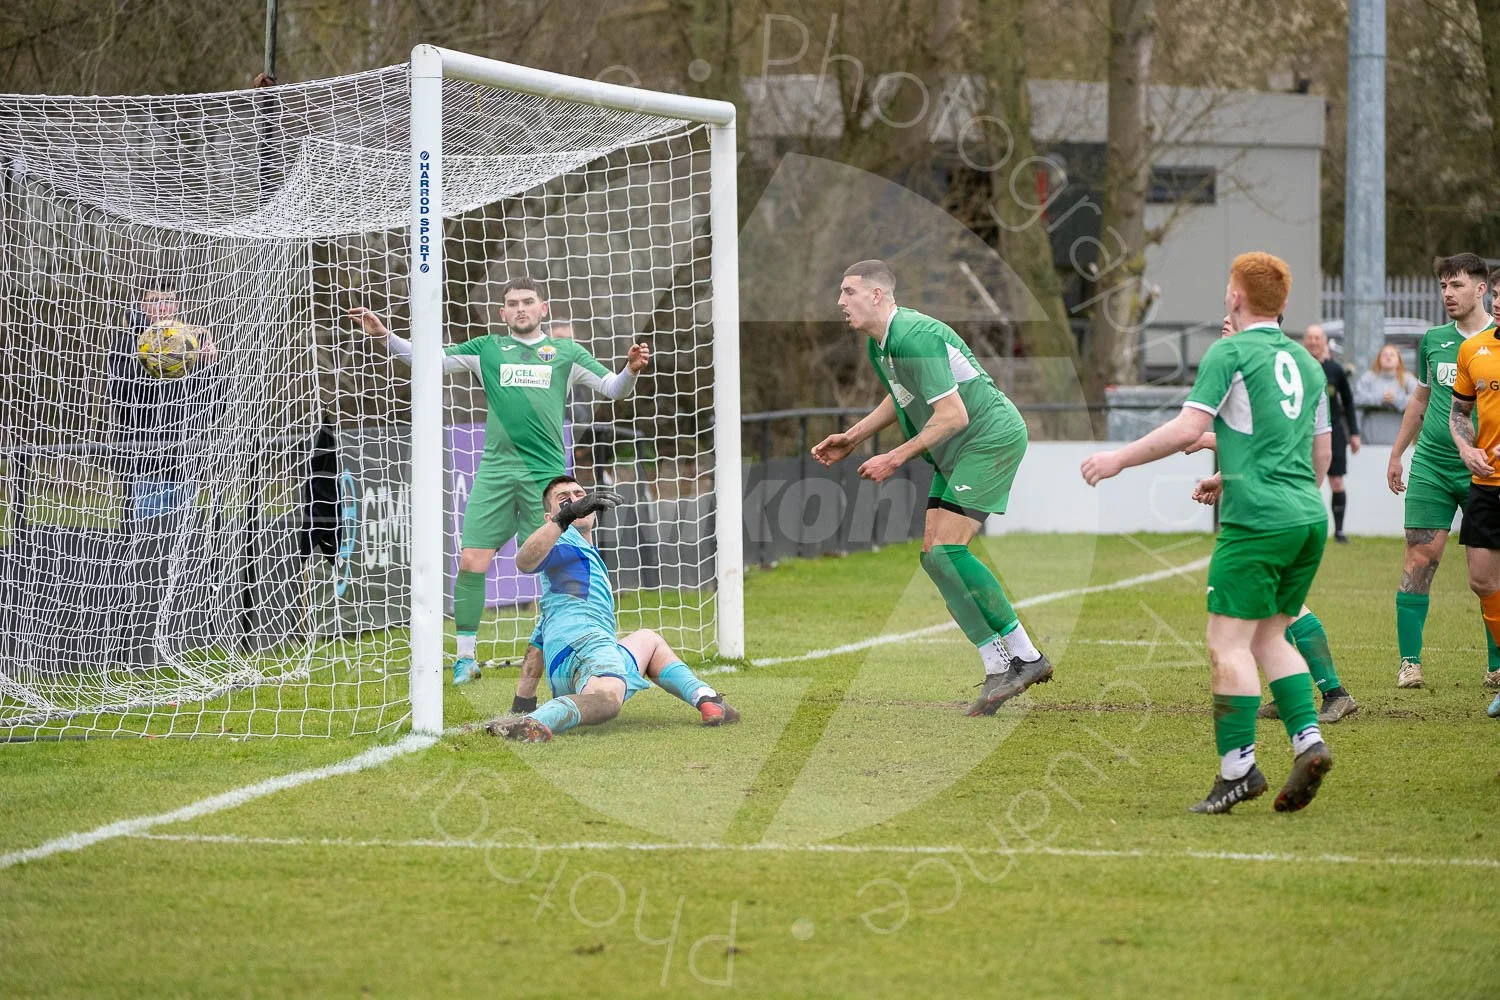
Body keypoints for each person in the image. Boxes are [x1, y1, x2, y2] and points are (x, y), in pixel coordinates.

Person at [1082, 252, 1334, 814]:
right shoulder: (1309, 363)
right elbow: (1320, 453)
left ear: (1236, 297)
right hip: (1307, 516)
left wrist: (1119, 459)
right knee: (1272, 634)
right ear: (1284, 304)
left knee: (1228, 644)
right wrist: (1249, 481)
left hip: (1259, 521)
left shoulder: (1230, 351)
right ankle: (1308, 741)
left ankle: (1237, 770)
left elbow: (1188, 427)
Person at [350, 277, 650, 688]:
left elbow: (613, 389)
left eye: (529, 301)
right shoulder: (487, 349)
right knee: (472, 561)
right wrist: (385, 337)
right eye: (513, 303)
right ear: (502, 313)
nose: (521, 308)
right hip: (495, 471)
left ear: (543, 309)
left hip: (546, 477)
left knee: (564, 565)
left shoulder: (565, 353)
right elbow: (430, 359)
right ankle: (465, 657)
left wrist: (629, 370)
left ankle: (590, 641)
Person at [811, 260, 1049, 717]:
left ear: (877, 295)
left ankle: (1026, 658)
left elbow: (955, 414)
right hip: (956, 447)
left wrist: (895, 456)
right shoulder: (881, 347)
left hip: (986, 437)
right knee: (932, 558)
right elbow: (900, 395)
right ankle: (999, 665)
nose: (841, 302)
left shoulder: (914, 335)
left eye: (848, 292)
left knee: (946, 553)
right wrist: (854, 437)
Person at [1184, 317, 1357, 724]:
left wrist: (1120, 459)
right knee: (1273, 611)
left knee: (1274, 612)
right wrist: (1220, 477)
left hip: (1272, 515)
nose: (1225, 326)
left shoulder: (1267, 371)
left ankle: (1333, 694)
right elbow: (1262, 451)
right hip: (1284, 508)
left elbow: (1270, 448)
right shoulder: (1273, 366)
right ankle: (1292, 690)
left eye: (1231, 319)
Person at [488, 476, 739, 742]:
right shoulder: (564, 543)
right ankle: (535, 723)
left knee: (649, 640)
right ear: (550, 517)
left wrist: (522, 704)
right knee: (607, 700)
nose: (576, 502)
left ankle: (707, 698)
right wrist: (564, 519)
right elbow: (524, 562)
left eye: (579, 494)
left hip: (565, 667)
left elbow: (536, 646)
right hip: (588, 648)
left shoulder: (576, 567)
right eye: (565, 501)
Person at [1387, 253, 1500, 691]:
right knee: (1419, 559)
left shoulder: (1495, 339)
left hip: (1486, 471)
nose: (1447, 294)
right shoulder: (1433, 340)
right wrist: (1398, 453)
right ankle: (1409, 663)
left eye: (1455, 285)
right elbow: (1420, 400)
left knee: (1485, 575)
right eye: (1442, 286)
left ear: (1480, 289)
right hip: (1432, 464)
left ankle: (1496, 663)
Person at [108, 278, 221, 667]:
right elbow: (123, 396)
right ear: (142, 306)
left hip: (186, 461)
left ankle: (180, 630)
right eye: (154, 302)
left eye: (168, 301)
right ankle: (141, 638)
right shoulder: (128, 342)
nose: (162, 309)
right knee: (147, 546)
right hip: (144, 462)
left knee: (182, 544)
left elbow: (214, 403)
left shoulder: (195, 341)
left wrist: (208, 366)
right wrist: (154, 356)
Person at [1448, 278, 1500, 721]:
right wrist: (1467, 449)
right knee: (1482, 581)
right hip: (1485, 484)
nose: (1499, 304)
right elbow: (1459, 412)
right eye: (1497, 296)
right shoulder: (1474, 350)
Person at [1302, 323, 1360, 543]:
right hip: (1304, 432)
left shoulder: (1335, 370)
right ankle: (1306, 527)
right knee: (1306, 481)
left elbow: (1348, 401)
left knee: (1336, 481)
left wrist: (1354, 433)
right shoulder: (1298, 366)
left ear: (1325, 342)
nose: (1314, 342)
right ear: (1304, 342)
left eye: (1318, 338)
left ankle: (1339, 531)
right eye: (1310, 338)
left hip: (1333, 431)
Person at [1354, 344, 1419, 445]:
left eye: (1392, 355)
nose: (1388, 358)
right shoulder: (1368, 377)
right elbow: (1357, 398)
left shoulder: (1408, 379)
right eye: (1384, 355)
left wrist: (1397, 400)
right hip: (1370, 438)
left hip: (1399, 439)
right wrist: (1379, 399)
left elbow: (1418, 400)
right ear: (1379, 359)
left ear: (1399, 360)